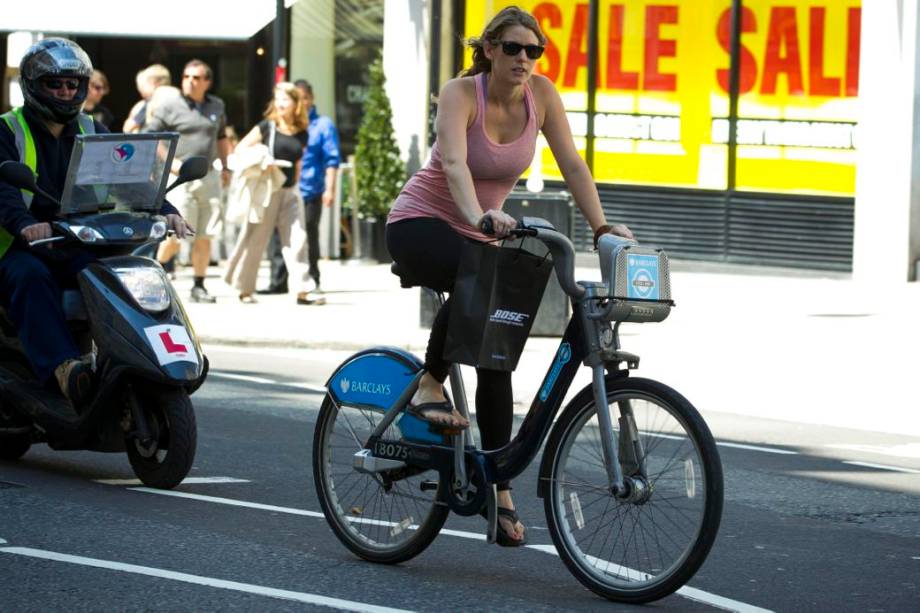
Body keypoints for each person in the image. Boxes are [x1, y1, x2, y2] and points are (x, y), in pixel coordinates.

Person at [385, 7, 633, 547]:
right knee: (478, 275)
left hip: (481, 233)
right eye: (515, 48)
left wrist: (602, 228)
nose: (526, 59)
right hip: (421, 223)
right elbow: (452, 163)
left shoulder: (540, 96)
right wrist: (477, 216)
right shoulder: (460, 93)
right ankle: (430, 380)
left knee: (495, 359)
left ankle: (500, 495)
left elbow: (572, 163)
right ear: (491, 48)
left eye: (535, 51)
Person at [0, 38, 190, 408]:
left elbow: (132, 181)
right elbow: (4, 189)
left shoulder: (91, 129)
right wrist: (23, 222)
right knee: (30, 276)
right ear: (33, 86)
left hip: (73, 243)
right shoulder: (7, 131)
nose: (65, 91)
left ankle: (129, 362)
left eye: (73, 84)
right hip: (16, 247)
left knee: (112, 278)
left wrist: (165, 209)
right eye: (55, 84)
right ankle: (64, 369)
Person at [145, 59, 231, 303]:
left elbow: (222, 136)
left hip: (209, 175)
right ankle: (154, 275)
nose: (190, 82)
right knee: (177, 235)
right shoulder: (170, 106)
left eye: (196, 77)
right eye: (186, 77)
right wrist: (173, 165)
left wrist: (226, 166)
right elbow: (153, 139)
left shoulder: (217, 105)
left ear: (207, 82)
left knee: (205, 235)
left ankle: (199, 285)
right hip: (180, 179)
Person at [223, 82, 317, 305]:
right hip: (267, 188)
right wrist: (262, 158)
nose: (281, 103)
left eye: (286, 99)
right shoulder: (267, 126)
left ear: (296, 103)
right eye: (278, 98)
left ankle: (302, 289)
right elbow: (240, 148)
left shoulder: (303, 132)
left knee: (298, 238)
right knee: (255, 238)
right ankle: (244, 289)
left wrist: (299, 186)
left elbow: (299, 162)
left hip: (290, 190)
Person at [259, 79, 339, 295]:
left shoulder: (322, 124)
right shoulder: (283, 125)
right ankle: (278, 281)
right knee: (279, 237)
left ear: (310, 99)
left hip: (311, 189)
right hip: (284, 187)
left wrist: (330, 189)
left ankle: (311, 278)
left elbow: (332, 160)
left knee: (307, 236)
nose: (300, 103)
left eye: (303, 98)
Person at [123, 64, 171, 134]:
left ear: (154, 83)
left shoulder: (152, 102)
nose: (140, 89)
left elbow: (128, 128)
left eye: (144, 84)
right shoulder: (175, 99)